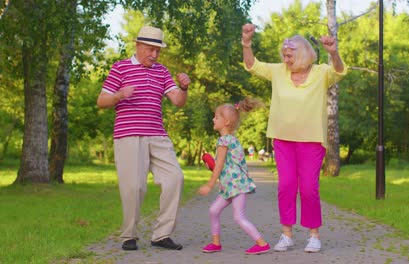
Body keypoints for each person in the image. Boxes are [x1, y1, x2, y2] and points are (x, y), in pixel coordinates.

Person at [241, 23, 347, 253]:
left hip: (311, 140)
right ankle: (286, 234)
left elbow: (338, 71)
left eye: (289, 55)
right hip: (283, 139)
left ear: (302, 54)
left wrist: (333, 53)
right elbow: (252, 65)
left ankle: (313, 235)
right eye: (285, 55)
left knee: (309, 188)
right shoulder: (278, 71)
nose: (286, 59)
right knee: (286, 186)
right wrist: (246, 43)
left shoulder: (320, 73)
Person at [97, 25, 190, 251]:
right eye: (150, 49)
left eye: (158, 51)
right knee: (134, 187)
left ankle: (161, 235)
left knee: (175, 178)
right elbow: (102, 101)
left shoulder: (162, 71)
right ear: (138, 46)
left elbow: (177, 101)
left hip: (157, 135)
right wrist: (120, 95)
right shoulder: (120, 68)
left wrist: (184, 88)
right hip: (129, 135)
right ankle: (129, 235)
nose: (154, 55)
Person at [198, 97, 270, 255]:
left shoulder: (224, 141)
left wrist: (209, 185)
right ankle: (216, 243)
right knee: (213, 211)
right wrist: (212, 165)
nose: (213, 119)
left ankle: (262, 243)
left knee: (239, 217)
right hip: (229, 187)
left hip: (236, 186)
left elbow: (220, 166)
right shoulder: (231, 140)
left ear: (226, 122)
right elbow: (223, 166)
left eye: (217, 117)